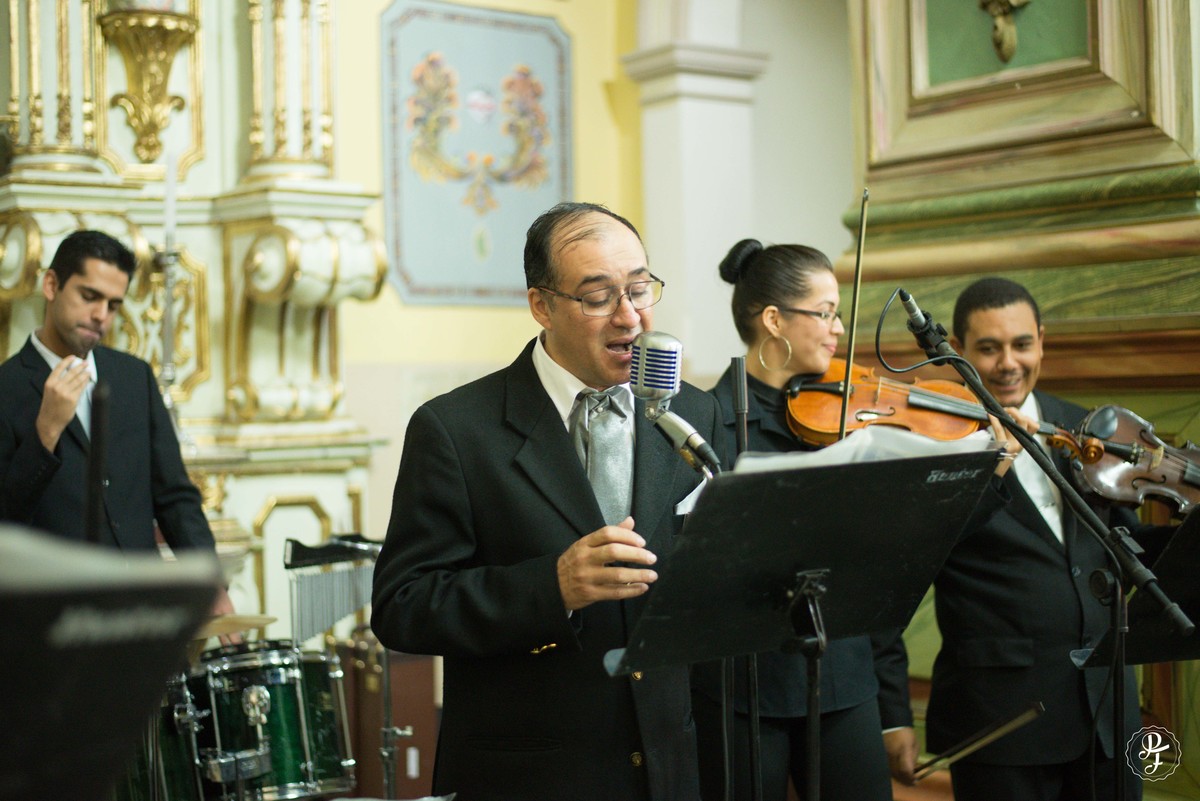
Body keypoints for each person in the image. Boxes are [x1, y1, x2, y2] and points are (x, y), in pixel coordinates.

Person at [371, 202, 724, 801]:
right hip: (531, 771)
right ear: (542, 305)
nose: (631, 317)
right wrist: (550, 587)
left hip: (668, 763)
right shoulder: (456, 429)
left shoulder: (692, 410)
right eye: (597, 297)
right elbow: (402, 606)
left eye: (640, 289)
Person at [924, 276, 1172, 801]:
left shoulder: (1083, 429)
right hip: (1002, 722)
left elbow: (1121, 543)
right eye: (988, 349)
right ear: (959, 352)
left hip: (1108, 712)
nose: (1008, 363)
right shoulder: (930, 447)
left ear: (1041, 339)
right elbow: (909, 565)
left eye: (1021, 344)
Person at [691, 239, 916, 800]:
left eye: (837, 313)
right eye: (824, 313)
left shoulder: (849, 416)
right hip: (745, 691)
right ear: (773, 319)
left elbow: (877, 576)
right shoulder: (708, 424)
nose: (837, 329)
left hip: (844, 678)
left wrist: (893, 706)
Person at [0, 230, 233, 617]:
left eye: (113, 304)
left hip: (144, 614)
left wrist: (212, 587)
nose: (101, 316)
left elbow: (175, 495)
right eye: (89, 297)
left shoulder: (134, 378)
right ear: (52, 284)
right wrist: (45, 434)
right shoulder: (6, 388)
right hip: (53, 623)